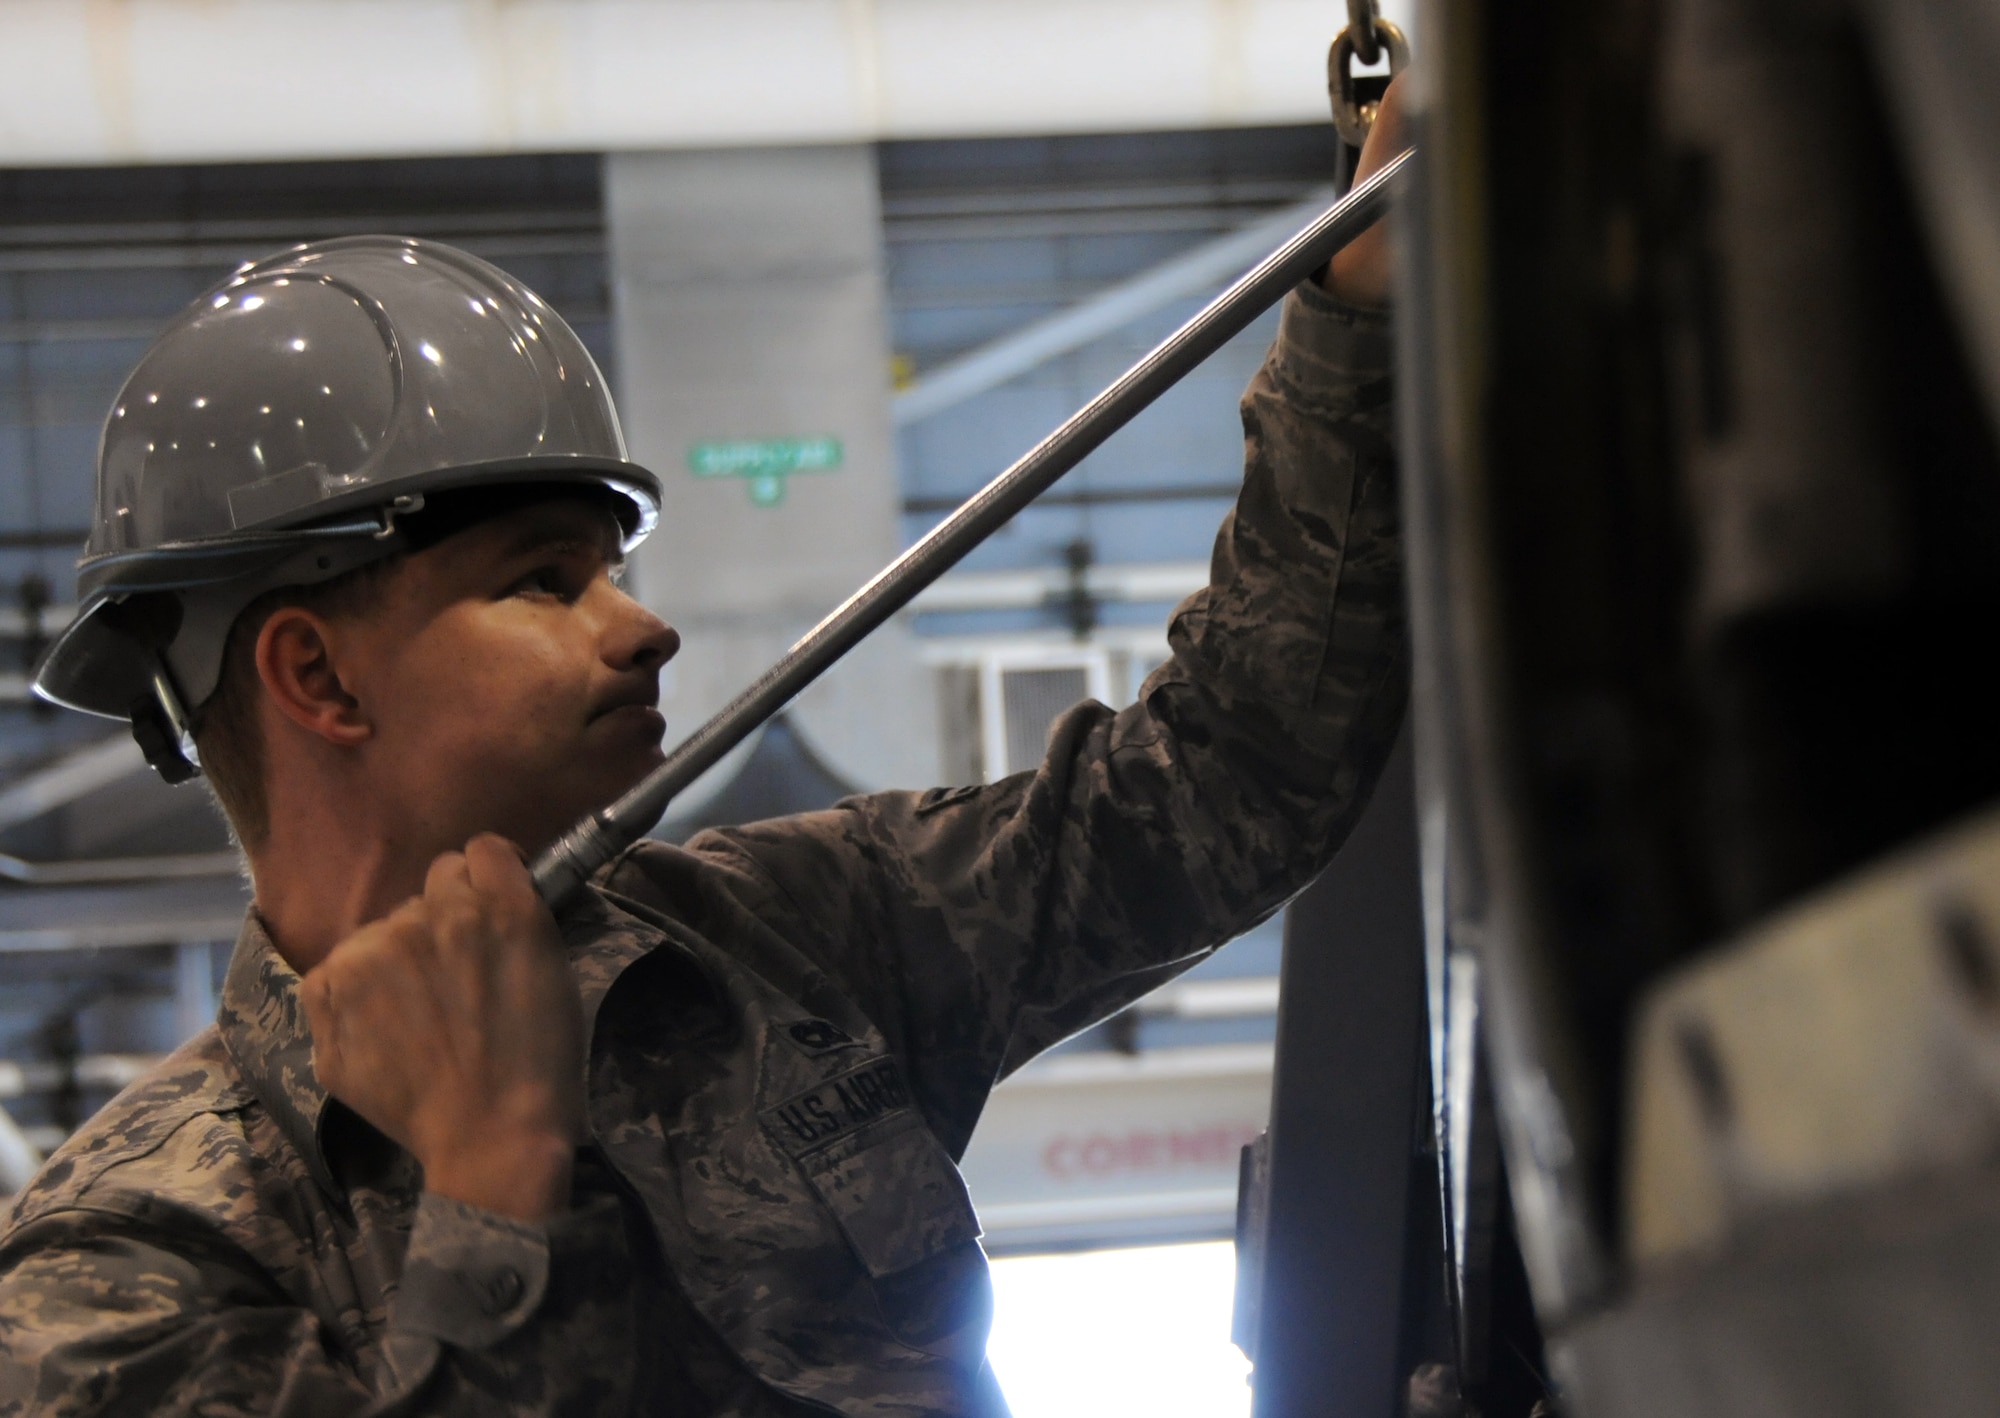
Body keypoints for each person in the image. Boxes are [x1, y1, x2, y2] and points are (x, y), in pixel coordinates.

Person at [0, 82, 1411, 1417]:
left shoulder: (786, 936)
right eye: (545, 581)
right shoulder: (124, 1264)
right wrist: (490, 1198)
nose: (645, 628)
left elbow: (1229, 781)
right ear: (317, 671)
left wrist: (1362, 302)